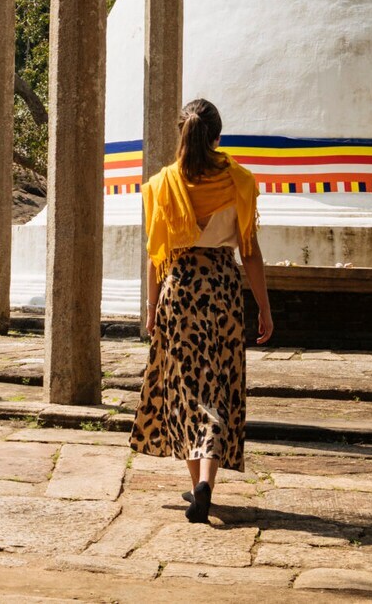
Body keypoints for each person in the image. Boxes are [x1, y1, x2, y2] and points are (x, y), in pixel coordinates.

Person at [129, 98, 273, 525]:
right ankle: (207, 480)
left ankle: (198, 487)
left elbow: (157, 256)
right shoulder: (241, 182)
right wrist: (264, 307)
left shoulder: (162, 185)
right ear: (218, 137)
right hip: (224, 291)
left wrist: (152, 309)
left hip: (181, 290)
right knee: (219, 385)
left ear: (182, 134)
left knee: (188, 388)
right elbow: (250, 253)